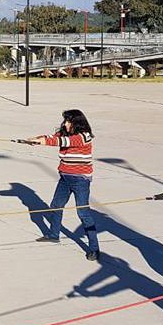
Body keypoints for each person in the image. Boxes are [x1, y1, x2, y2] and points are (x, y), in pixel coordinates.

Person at [20, 109, 99, 261]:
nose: (65, 124)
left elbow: (62, 142)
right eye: (65, 121)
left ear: (77, 122)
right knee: (56, 205)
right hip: (65, 177)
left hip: (80, 179)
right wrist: (34, 140)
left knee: (83, 213)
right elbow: (52, 137)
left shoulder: (84, 136)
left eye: (68, 121)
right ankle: (53, 234)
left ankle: (94, 249)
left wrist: (42, 142)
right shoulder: (66, 133)